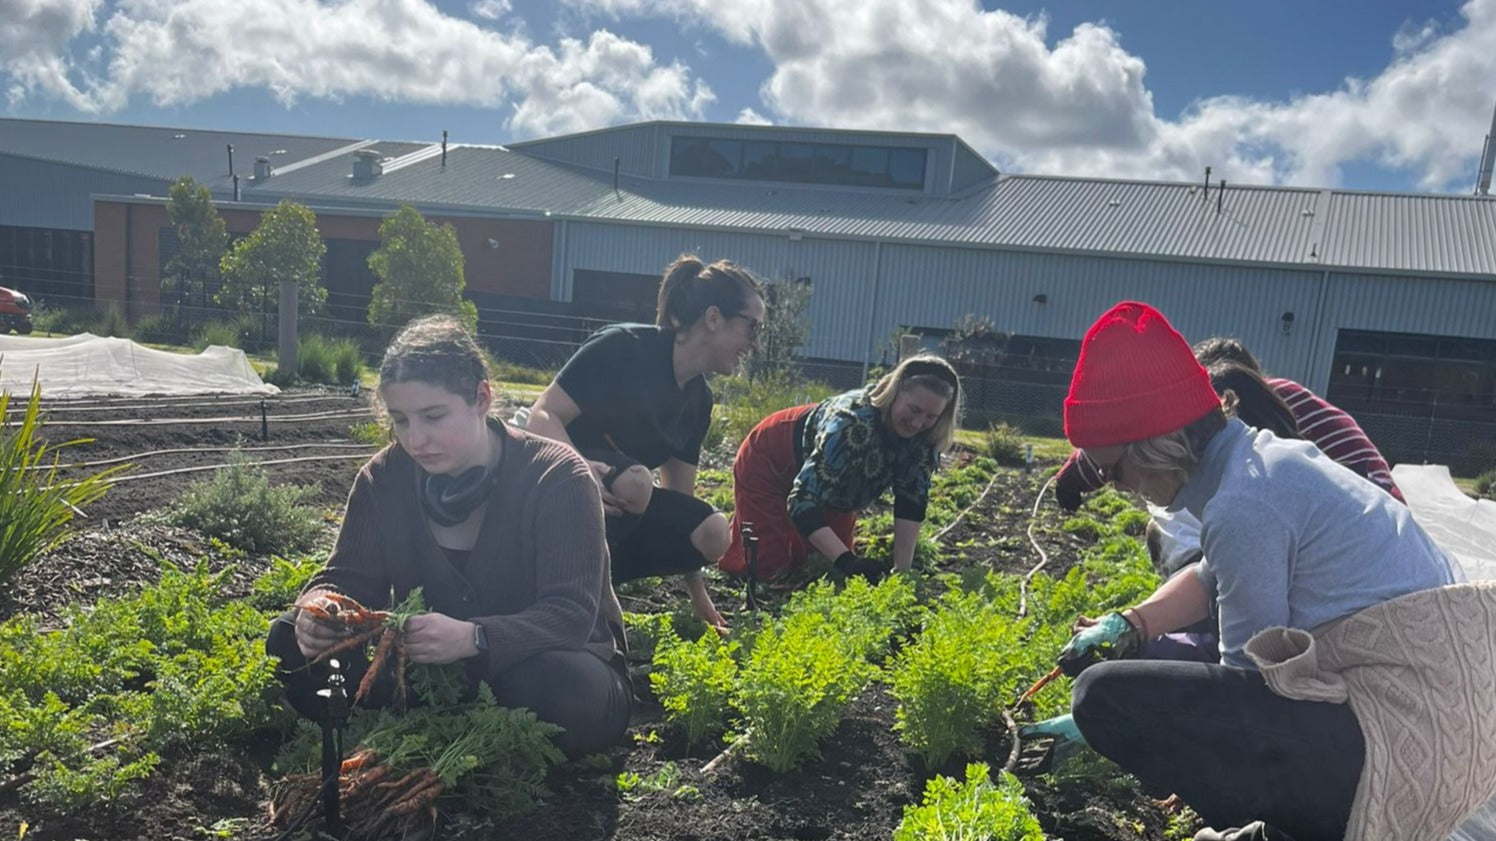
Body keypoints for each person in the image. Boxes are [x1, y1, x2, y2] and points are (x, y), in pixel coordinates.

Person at [1023, 302, 1496, 841]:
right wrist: (1133, 624)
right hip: (1448, 730)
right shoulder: (1260, 463)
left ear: (1158, 443)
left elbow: (1245, 687)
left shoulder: (1243, 504)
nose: (1121, 487)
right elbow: (1211, 575)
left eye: (1117, 470)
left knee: (1102, 695)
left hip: (1401, 751)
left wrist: (1116, 727)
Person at [265, 314, 631, 758]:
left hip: (552, 665)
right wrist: (320, 609)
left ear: (481, 397)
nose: (416, 439)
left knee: (556, 685)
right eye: (400, 420)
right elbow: (346, 579)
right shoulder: (383, 479)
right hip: (427, 670)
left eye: (433, 416)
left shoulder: (557, 476)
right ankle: (449, 730)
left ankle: (441, 728)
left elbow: (569, 616)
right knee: (287, 639)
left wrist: (474, 638)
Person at [525, 255, 765, 633]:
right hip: (550, 489)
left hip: (611, 512)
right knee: (635, 484)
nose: (753, 344)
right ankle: (581, 597)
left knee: (713, 530)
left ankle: (595, 580)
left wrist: (700, 599)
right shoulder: (623, 348)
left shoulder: (698, 401)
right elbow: (541, 416)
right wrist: (578, 469)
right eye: (752, 328)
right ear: (714, 318)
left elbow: (679, 502)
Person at [1054, 337, 1402, 513]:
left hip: (1371, 503)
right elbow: (1114, 442)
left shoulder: (1277, 419)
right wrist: (1070, 480)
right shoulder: (1258, 435)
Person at [717, 354, 961, 582]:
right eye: (914, 410)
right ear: (894, 393)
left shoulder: (926, 438)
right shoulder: (852, 424)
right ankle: (732, 537)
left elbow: (911, 501)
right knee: (766, 567)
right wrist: (847, 561)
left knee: (821, 570)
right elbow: (802, 500)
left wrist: (902, 572)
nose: (919, 422)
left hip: (836, 485)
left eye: (931, 416)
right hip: (772, 458)